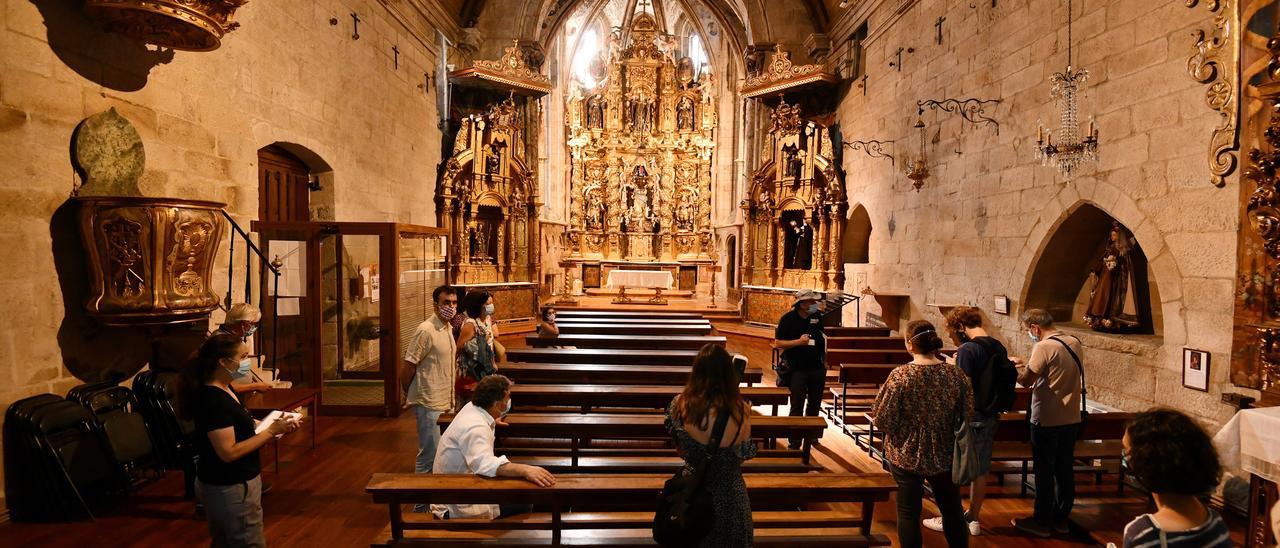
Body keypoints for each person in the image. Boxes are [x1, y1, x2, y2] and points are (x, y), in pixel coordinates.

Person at [179, 334, 301, 547]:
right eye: (243, 356)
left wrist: (269, 423)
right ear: (224, 362)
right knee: (246, 541)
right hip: (231, 485)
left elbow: (240, 421)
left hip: (237, 481)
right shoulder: (213, 400)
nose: (247, 362)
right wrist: (271, 431)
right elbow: (228, 452)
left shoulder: (226, 387)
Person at [869, 320, 973, 548]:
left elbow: (882, 419)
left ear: (909, 344)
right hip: (945, 450)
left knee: (908, 513)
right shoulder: (954, 374)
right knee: (952, 510)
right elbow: (967, 412)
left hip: (906, 451)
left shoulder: (901, 376)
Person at [924, 306, 1006, 536]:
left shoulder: (968, 349)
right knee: (980, 470)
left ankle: (952, 518)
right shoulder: (996, 344)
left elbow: (962, 387)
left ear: (960, 326)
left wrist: (952, 366)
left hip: (970, 416)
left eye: (951, 330)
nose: (951, 335)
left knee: (954, 466)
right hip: (990, 414)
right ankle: (974, 519)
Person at [665, 344, 757, 546]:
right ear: (728, 373)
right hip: (730, 496)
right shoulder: (741, 410)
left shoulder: (678, 404)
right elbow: (743, 453)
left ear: (696, 371)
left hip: (693, 493)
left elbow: (679, 448)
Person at [431, 375, 555, 519]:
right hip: (455, 502)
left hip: (459, 486)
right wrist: (525, 469)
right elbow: (485, 465)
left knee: (522, 487)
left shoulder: (474, 408)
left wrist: (494, 418)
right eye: (507, 398)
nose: (509, 401)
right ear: (496, 404)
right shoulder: (476, 427)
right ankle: (517, 538)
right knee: (526, 500)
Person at [1010, 309, 1084, 538]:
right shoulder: (1074, 341)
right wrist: (1026, 361)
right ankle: (1061, 519)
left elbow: (1026, 381)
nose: (1029, 335)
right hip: (1071, 416)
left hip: (1047, 417)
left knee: (1044, 470)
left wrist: (1013, 369)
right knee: (1064, 469)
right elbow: (1056, 367)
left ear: (1035, 327)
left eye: (1028, 331)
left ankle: (1041, 521)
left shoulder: (1043, 346)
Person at [1114, 409, 1231, 547]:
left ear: (1147, 463)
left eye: (1127, 453)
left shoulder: (1145, 534)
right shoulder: (1216, 523)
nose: (1125, 459)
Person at [400, 285, 459, 510]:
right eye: (446, 303)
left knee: (441, 454)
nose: (451, 307)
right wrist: (410, 392)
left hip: (446, 399)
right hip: (429, 400)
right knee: (428, 455)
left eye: (454, 303)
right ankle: (420, 508)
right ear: (435, 304)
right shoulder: (426, 329)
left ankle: (434, 502)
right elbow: (408, 366)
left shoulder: (447, 328)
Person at [772, 289, 827, 449]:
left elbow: (821, 338)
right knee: (797, 404)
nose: (814, 304)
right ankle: (795, 439)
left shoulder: (816, 316)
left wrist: (824, 360)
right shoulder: (787, 319)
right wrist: (798, 342)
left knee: (815, 403)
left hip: (816, 366)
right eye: (811, 302)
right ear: (801, 304)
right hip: (797, 368)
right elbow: (778, 343)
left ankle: (811, 435)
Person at [213, 303, 273, 394]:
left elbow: (242, 369)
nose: (253, 328)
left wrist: (256, 381)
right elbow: (222, 385)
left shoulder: (236, 338)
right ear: (242, 323)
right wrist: (254, 386)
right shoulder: (221, 342)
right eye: (252, 324)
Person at [456, 291, 499, 402]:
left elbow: (490, 343)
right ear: (478, 305)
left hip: (486, 368)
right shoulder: (471, 324)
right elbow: (459, 348)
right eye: (487, 304)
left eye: (491, 303)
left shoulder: (488, 319)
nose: (490, 306)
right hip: (473, 371)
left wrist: (493, 362)